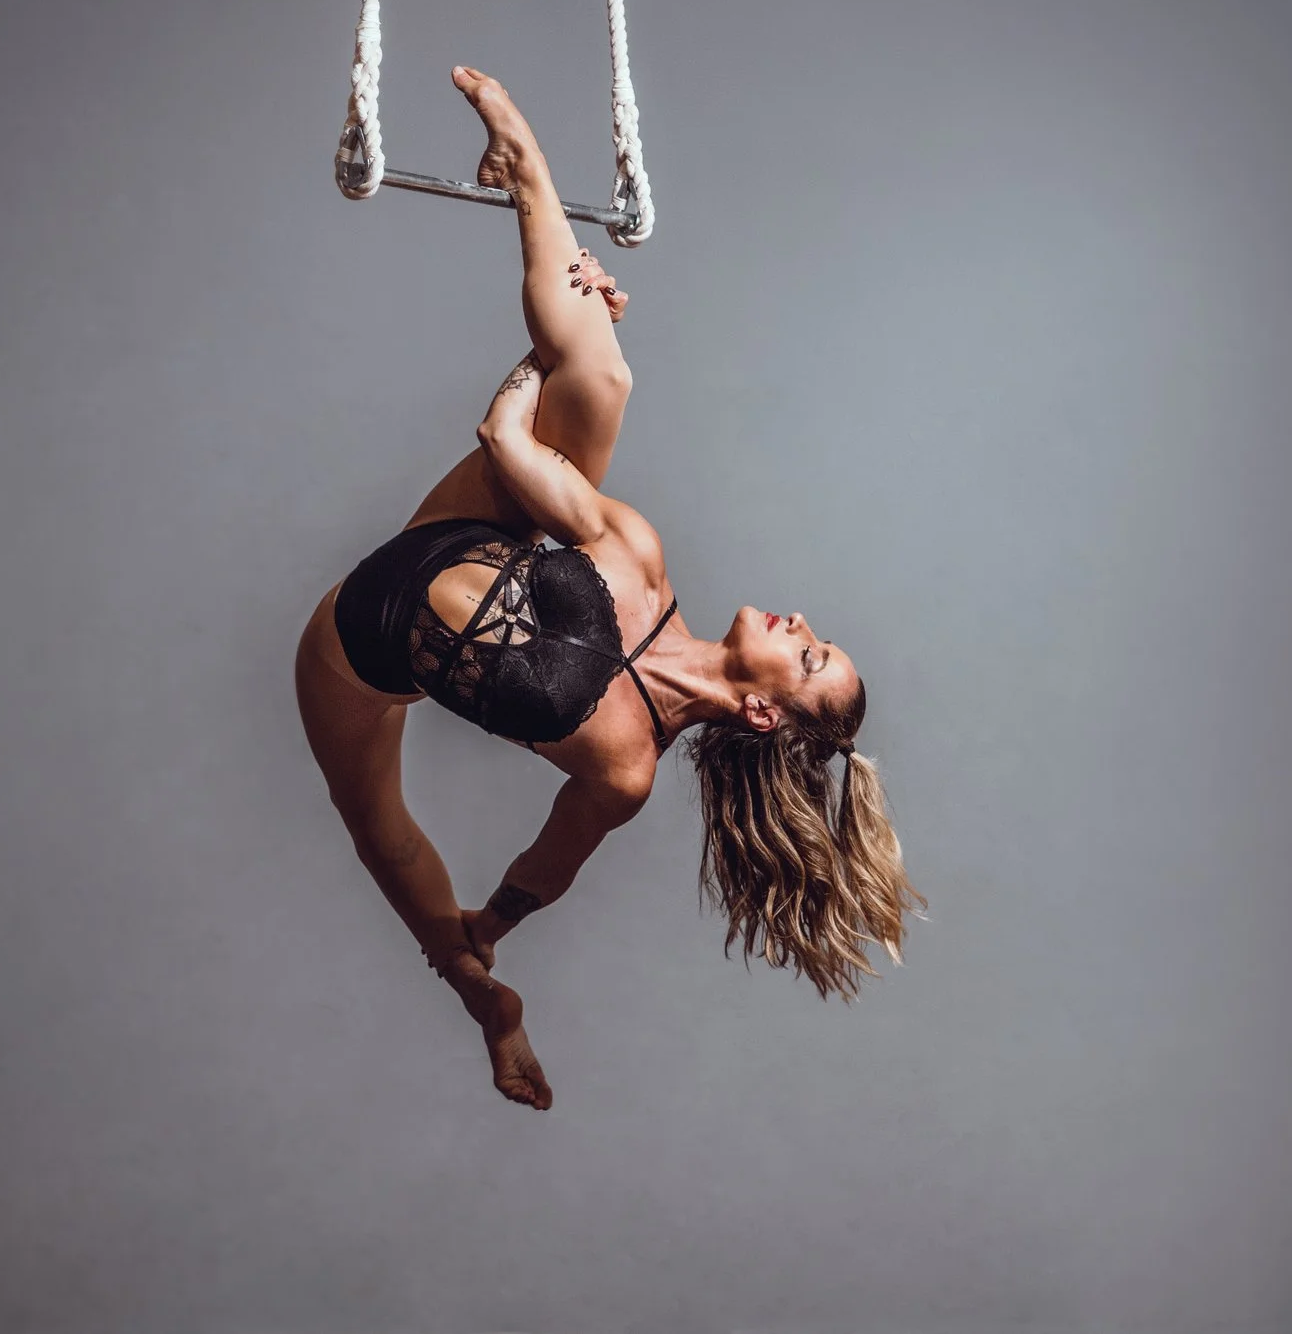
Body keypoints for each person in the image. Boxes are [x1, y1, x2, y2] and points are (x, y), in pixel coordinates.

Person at [295, 67, 925, 1110]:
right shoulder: (638, 553)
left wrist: (490, 927)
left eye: (808, 652)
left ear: (765, 708)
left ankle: (482, 1003)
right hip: (455, 532)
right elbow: (506, 440)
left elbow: (553, 855)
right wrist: (564, 335)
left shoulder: (624, 772)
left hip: (351, 647)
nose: (801, 622)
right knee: (601, 376)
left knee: (381, 831)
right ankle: (526, 170)